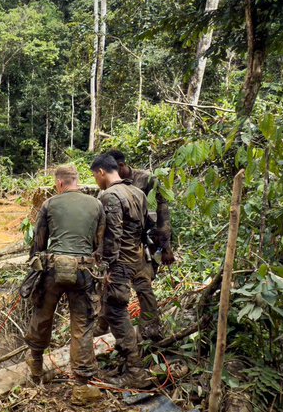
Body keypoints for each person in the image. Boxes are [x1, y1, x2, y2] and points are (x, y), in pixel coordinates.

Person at [24, 163, 103, 385]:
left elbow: (38, 243)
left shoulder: (50, 204)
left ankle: (36, 367)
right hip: (83, 271)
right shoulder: (96, 204)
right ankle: (81, 383)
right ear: (76, 180)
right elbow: (100, 244)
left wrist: (33, 272)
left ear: (59, 183)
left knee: (42, 315)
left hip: (52, 271)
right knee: (82, 324)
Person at [90, 153, 152, 386]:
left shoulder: (110, 196)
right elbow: (144, 227)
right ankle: (109, 351)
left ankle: (135, 370)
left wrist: (107, 268)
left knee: (117, 310)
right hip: (135, 258)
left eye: (95, 176)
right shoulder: (137, 193)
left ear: (101, 173)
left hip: (119, 264)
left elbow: (112, 235)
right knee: (111, 307)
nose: (96, 181)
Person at [104, 149, 173, 342]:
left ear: (121, 166)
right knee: (113, 290)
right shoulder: (110, 186)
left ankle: (150, 330)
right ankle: (104, 332)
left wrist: (166, 246)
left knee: (143, 285)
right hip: (122, 246)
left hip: (146, 242)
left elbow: (162, 214)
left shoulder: (147, 180)